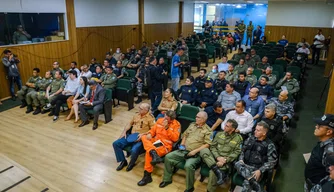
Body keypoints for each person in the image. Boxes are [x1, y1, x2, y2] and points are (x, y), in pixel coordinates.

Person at [159, 111, 212, 192]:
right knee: (168, 157)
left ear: (204, 119)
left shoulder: (208, 130)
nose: (196, 118)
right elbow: (185, 135)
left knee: (188, 165)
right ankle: (167, 179)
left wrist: (195, 151)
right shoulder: (192, 125)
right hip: (184, 150)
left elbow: (207, 144)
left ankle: (189, 187)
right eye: (196, 116)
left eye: (198, 117)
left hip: (195, 154)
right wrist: (182, 144)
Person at [137, 110, 181, 186]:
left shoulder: (177, 124)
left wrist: (167, 128)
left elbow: (175, 139)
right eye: (165, 117)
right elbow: (152, 130)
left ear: (172, 119)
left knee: (148, 153)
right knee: (143, 137)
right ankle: (153, 153)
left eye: (167, 119)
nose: (164, 119)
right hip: (156, 141)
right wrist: (150, 134)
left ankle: (147, 176)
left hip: (165, 144)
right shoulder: (160, 120)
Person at [201, 119, 243, 192]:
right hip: (214, 158)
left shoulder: (238, 138)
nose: (224, 127)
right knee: (203, 150)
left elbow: (236, 152)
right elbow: (213, 147)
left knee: (212, 173)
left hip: (224, 163)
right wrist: (217, 157)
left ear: (232, 129)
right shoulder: (219, 134)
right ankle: (217, 171)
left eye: (227, 126)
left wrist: (225, 160)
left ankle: (209, 190)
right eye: (225, 125)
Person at [234, 121, 277, 192]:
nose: (255, 131)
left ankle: (250, 180)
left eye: (258, 130)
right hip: (245, 166)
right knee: (237, 163)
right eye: (255, 129)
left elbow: (272, 162)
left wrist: (260, 170)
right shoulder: (250, 139)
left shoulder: (269, 145)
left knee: (246, 183)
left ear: (264, 133)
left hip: (256, 169)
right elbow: (242, 151)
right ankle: (252, 180)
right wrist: (241, 159)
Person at [113, 103, 155, 172]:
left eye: (140, 109)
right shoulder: (136, 115)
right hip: (131, 136)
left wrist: (143, 134)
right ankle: (123, 161)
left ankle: (131, 164)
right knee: (116, 143)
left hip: (140, 138)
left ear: (146, 110)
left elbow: (153, 130)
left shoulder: (150, 118)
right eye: (139, 107)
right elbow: (129, 123)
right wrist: (124, 131)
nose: (139, 109)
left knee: (134, 150)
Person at [304, 114, 334, 191]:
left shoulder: (330, 151)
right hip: (311, 182)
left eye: (319, 126)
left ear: (329, 132)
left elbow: (331, 177)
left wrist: (318, 188)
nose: (316, 126)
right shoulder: (324, 143)